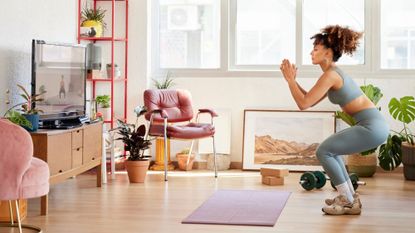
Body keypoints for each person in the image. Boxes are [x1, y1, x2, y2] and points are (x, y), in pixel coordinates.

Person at [280, 25, 389, 215]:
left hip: (372, 127)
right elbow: (309, 99)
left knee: (324, 151)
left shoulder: (331, 75)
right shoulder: (331, 74)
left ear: (328, 53)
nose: (311, 52)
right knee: (333, 152)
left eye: (315, 49)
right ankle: (349, 197)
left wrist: (290, 81)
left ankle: (347, 200)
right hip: (372, 125)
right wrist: (293, 81)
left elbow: (303, 103)